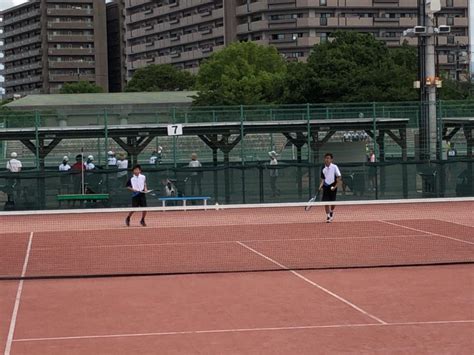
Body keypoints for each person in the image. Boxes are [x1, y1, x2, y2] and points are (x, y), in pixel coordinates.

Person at [319, 152, 342, 223]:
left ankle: (331, 211)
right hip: (326, 186)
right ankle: (328, 216)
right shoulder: (323, 168)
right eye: (326, 158)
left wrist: (335, 187)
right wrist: (320, 186)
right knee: (326, 202)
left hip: (333, 186)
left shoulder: (335, 167)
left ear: (331, 160)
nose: (327, 160)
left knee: (333, 203)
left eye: (328, 158)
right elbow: (323, 179)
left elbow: (339, 177)